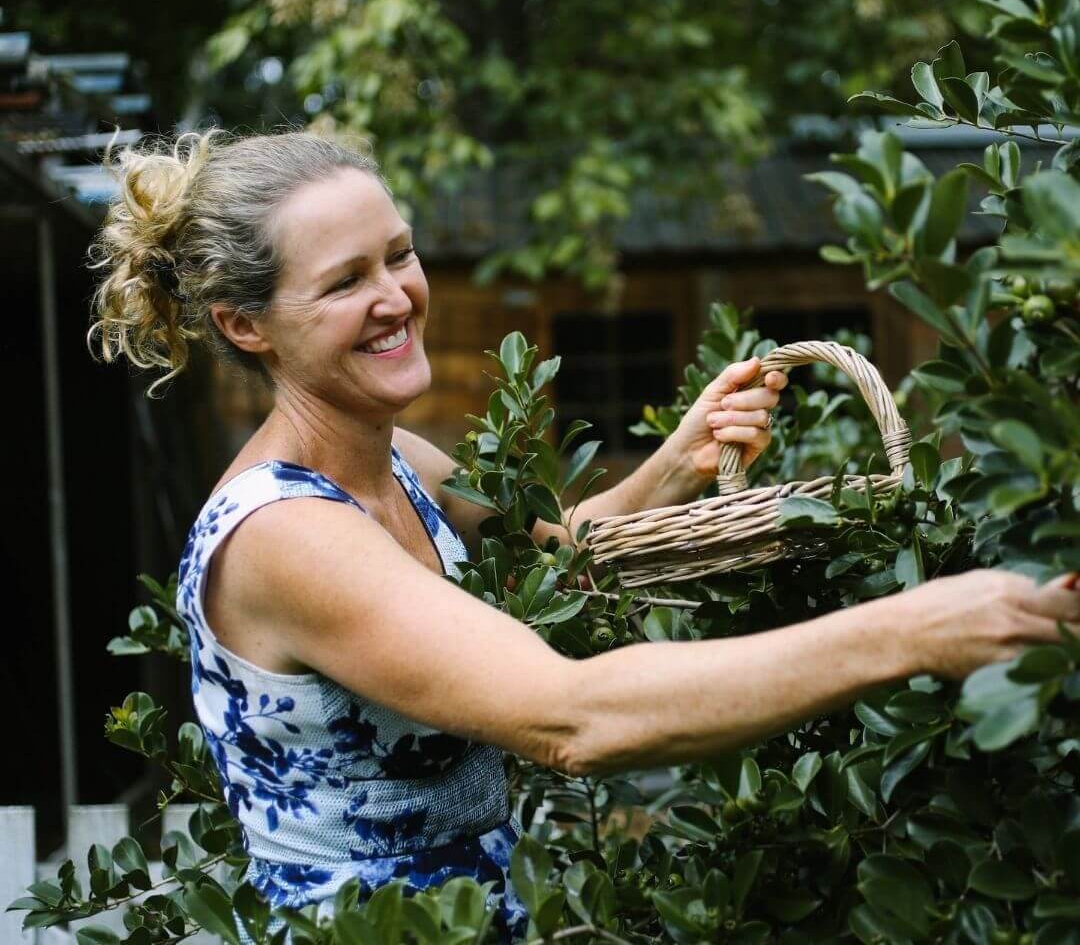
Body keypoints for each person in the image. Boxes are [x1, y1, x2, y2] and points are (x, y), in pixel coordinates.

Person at [88, 129, 1080, 939]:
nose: (397, 297)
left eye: (399, 254)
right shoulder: (287, 536)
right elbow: (570, 718)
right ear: (246, 325)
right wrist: (915, 631)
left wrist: (675, 464)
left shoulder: (396, 460)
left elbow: (561, 561)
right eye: (345, 282)